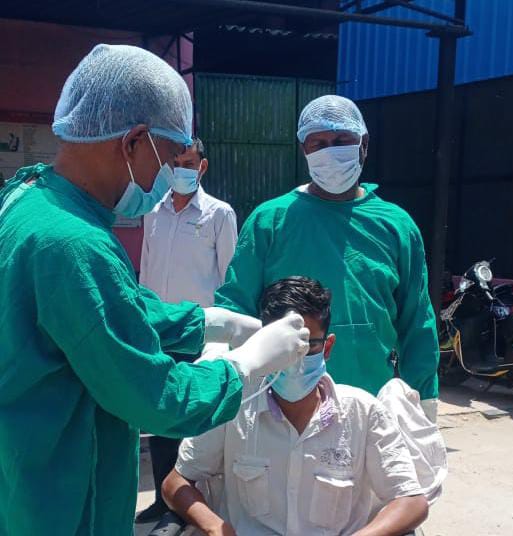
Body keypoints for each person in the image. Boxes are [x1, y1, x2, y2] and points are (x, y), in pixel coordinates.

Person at [0, 44, 310, 536]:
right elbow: (153, 398)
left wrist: (206, 322)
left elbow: (108, 308)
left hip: (22, 470)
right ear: (133, 142)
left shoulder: (30, 199)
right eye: (168, 159)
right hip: (61, 497)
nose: (166, 179)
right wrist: (244, 365)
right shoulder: (74, 244)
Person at [215, 95, 440, 422]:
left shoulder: (396, 226)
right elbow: (236, 307)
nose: (330, 151)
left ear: (364, 145)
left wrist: (424, 401)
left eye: (341, 141)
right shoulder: (270, 221)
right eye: (318, 143)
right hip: (283, 407)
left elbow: (417, 322)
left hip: (371, 406)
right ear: (304, 150)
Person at [163, 277, 429, 535]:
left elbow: (411, 501)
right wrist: (214, 527)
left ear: (327, 347)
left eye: (309, 345)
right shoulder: (234, 407)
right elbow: (176, 482)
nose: (296, 357)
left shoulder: (364, 412)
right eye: (286, 346)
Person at [137, 138, 238, 523]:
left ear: (202, 167)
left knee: (195, 423)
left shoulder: (219, 214)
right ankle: (163, 501)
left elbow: (229, 279)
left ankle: (189, 508)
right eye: (175, 163)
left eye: (189, 163)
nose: (181, 170)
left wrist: (226, 336)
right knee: (161, 420)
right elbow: (146, 273)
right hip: (160, 333)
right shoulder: (153, 212)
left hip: (201, 334)